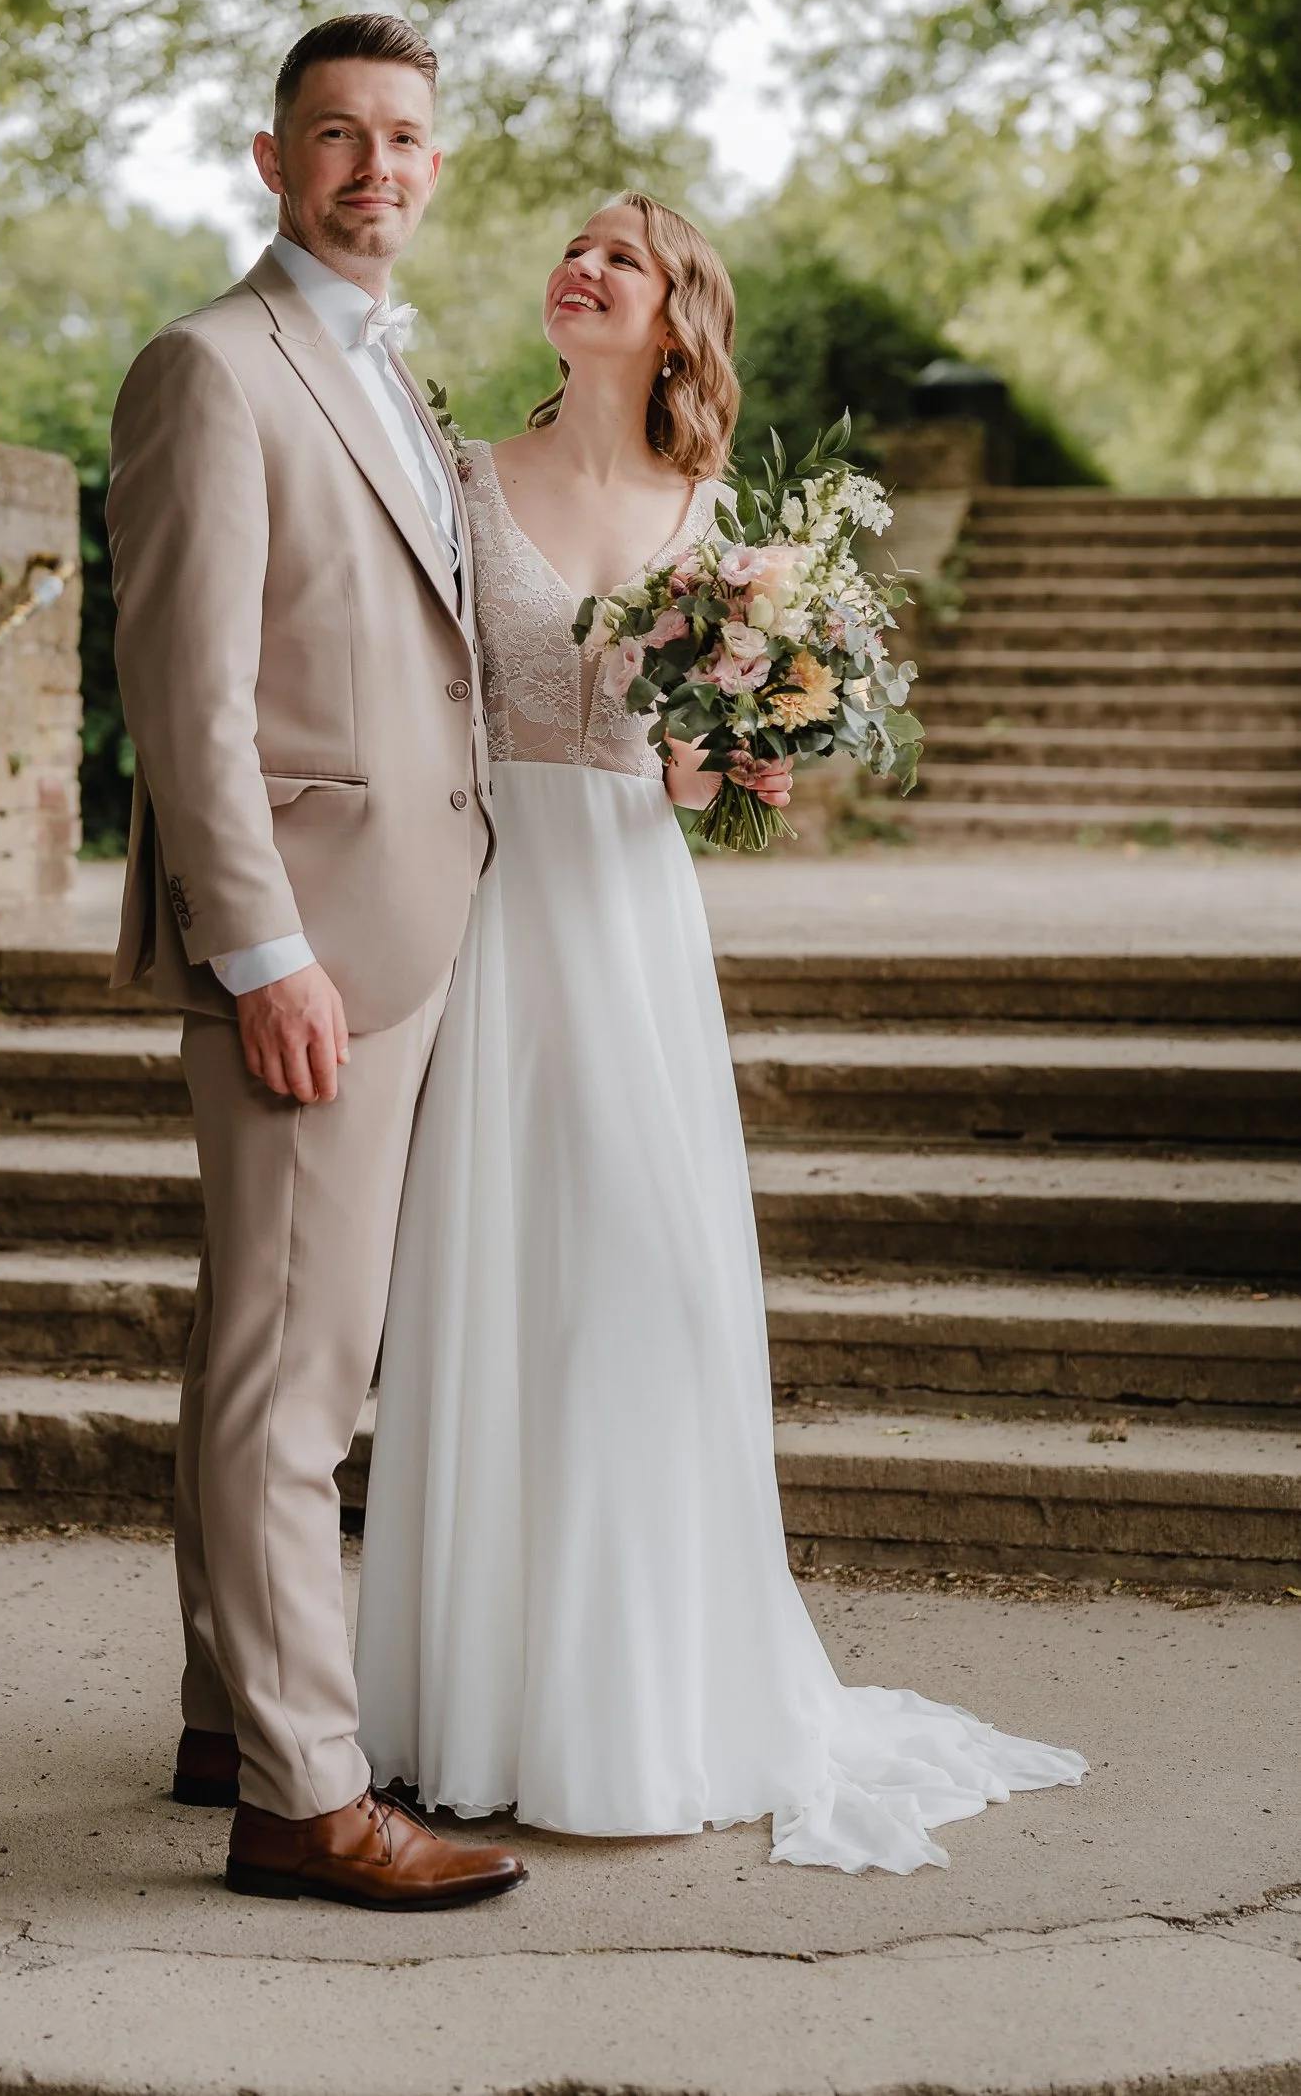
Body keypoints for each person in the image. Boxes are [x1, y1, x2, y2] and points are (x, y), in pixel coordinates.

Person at [353, 191, 1088, 1870]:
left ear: (676, 313)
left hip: (628, 915)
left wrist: (744, 746)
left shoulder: (716, 522)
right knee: (495, 1288)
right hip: (489, 902)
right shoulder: (456, 480)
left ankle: (641, 1704)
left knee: (647, 1292)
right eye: (575, 246)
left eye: (621, 255)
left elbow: (699, 781)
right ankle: (472, 1706)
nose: (582, 266)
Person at [105, 13, 525, 1909]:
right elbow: (183, 700)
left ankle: (230, 1713)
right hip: (314, 953)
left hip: (415, 918)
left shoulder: (390, 374)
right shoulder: (209, 366)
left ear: (435, 161)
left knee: (257, 1345)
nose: (377, 168)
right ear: (272, 161)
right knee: (298, 1384)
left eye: (406, 137)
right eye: (338, 136)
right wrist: (263, 950)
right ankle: (306, 1801)